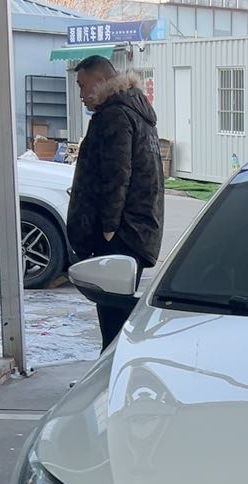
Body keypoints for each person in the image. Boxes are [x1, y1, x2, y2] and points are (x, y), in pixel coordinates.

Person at [67, 56, 164, 350]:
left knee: (113, 322)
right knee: (118, 319)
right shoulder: (137, 111)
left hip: (119, 236)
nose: (81, 94)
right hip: (136, 232)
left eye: (82, 85)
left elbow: (116, 175)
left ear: (99, 81)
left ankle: (112, 373)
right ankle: (115, 369)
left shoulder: (115, 116)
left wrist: (108, 229)